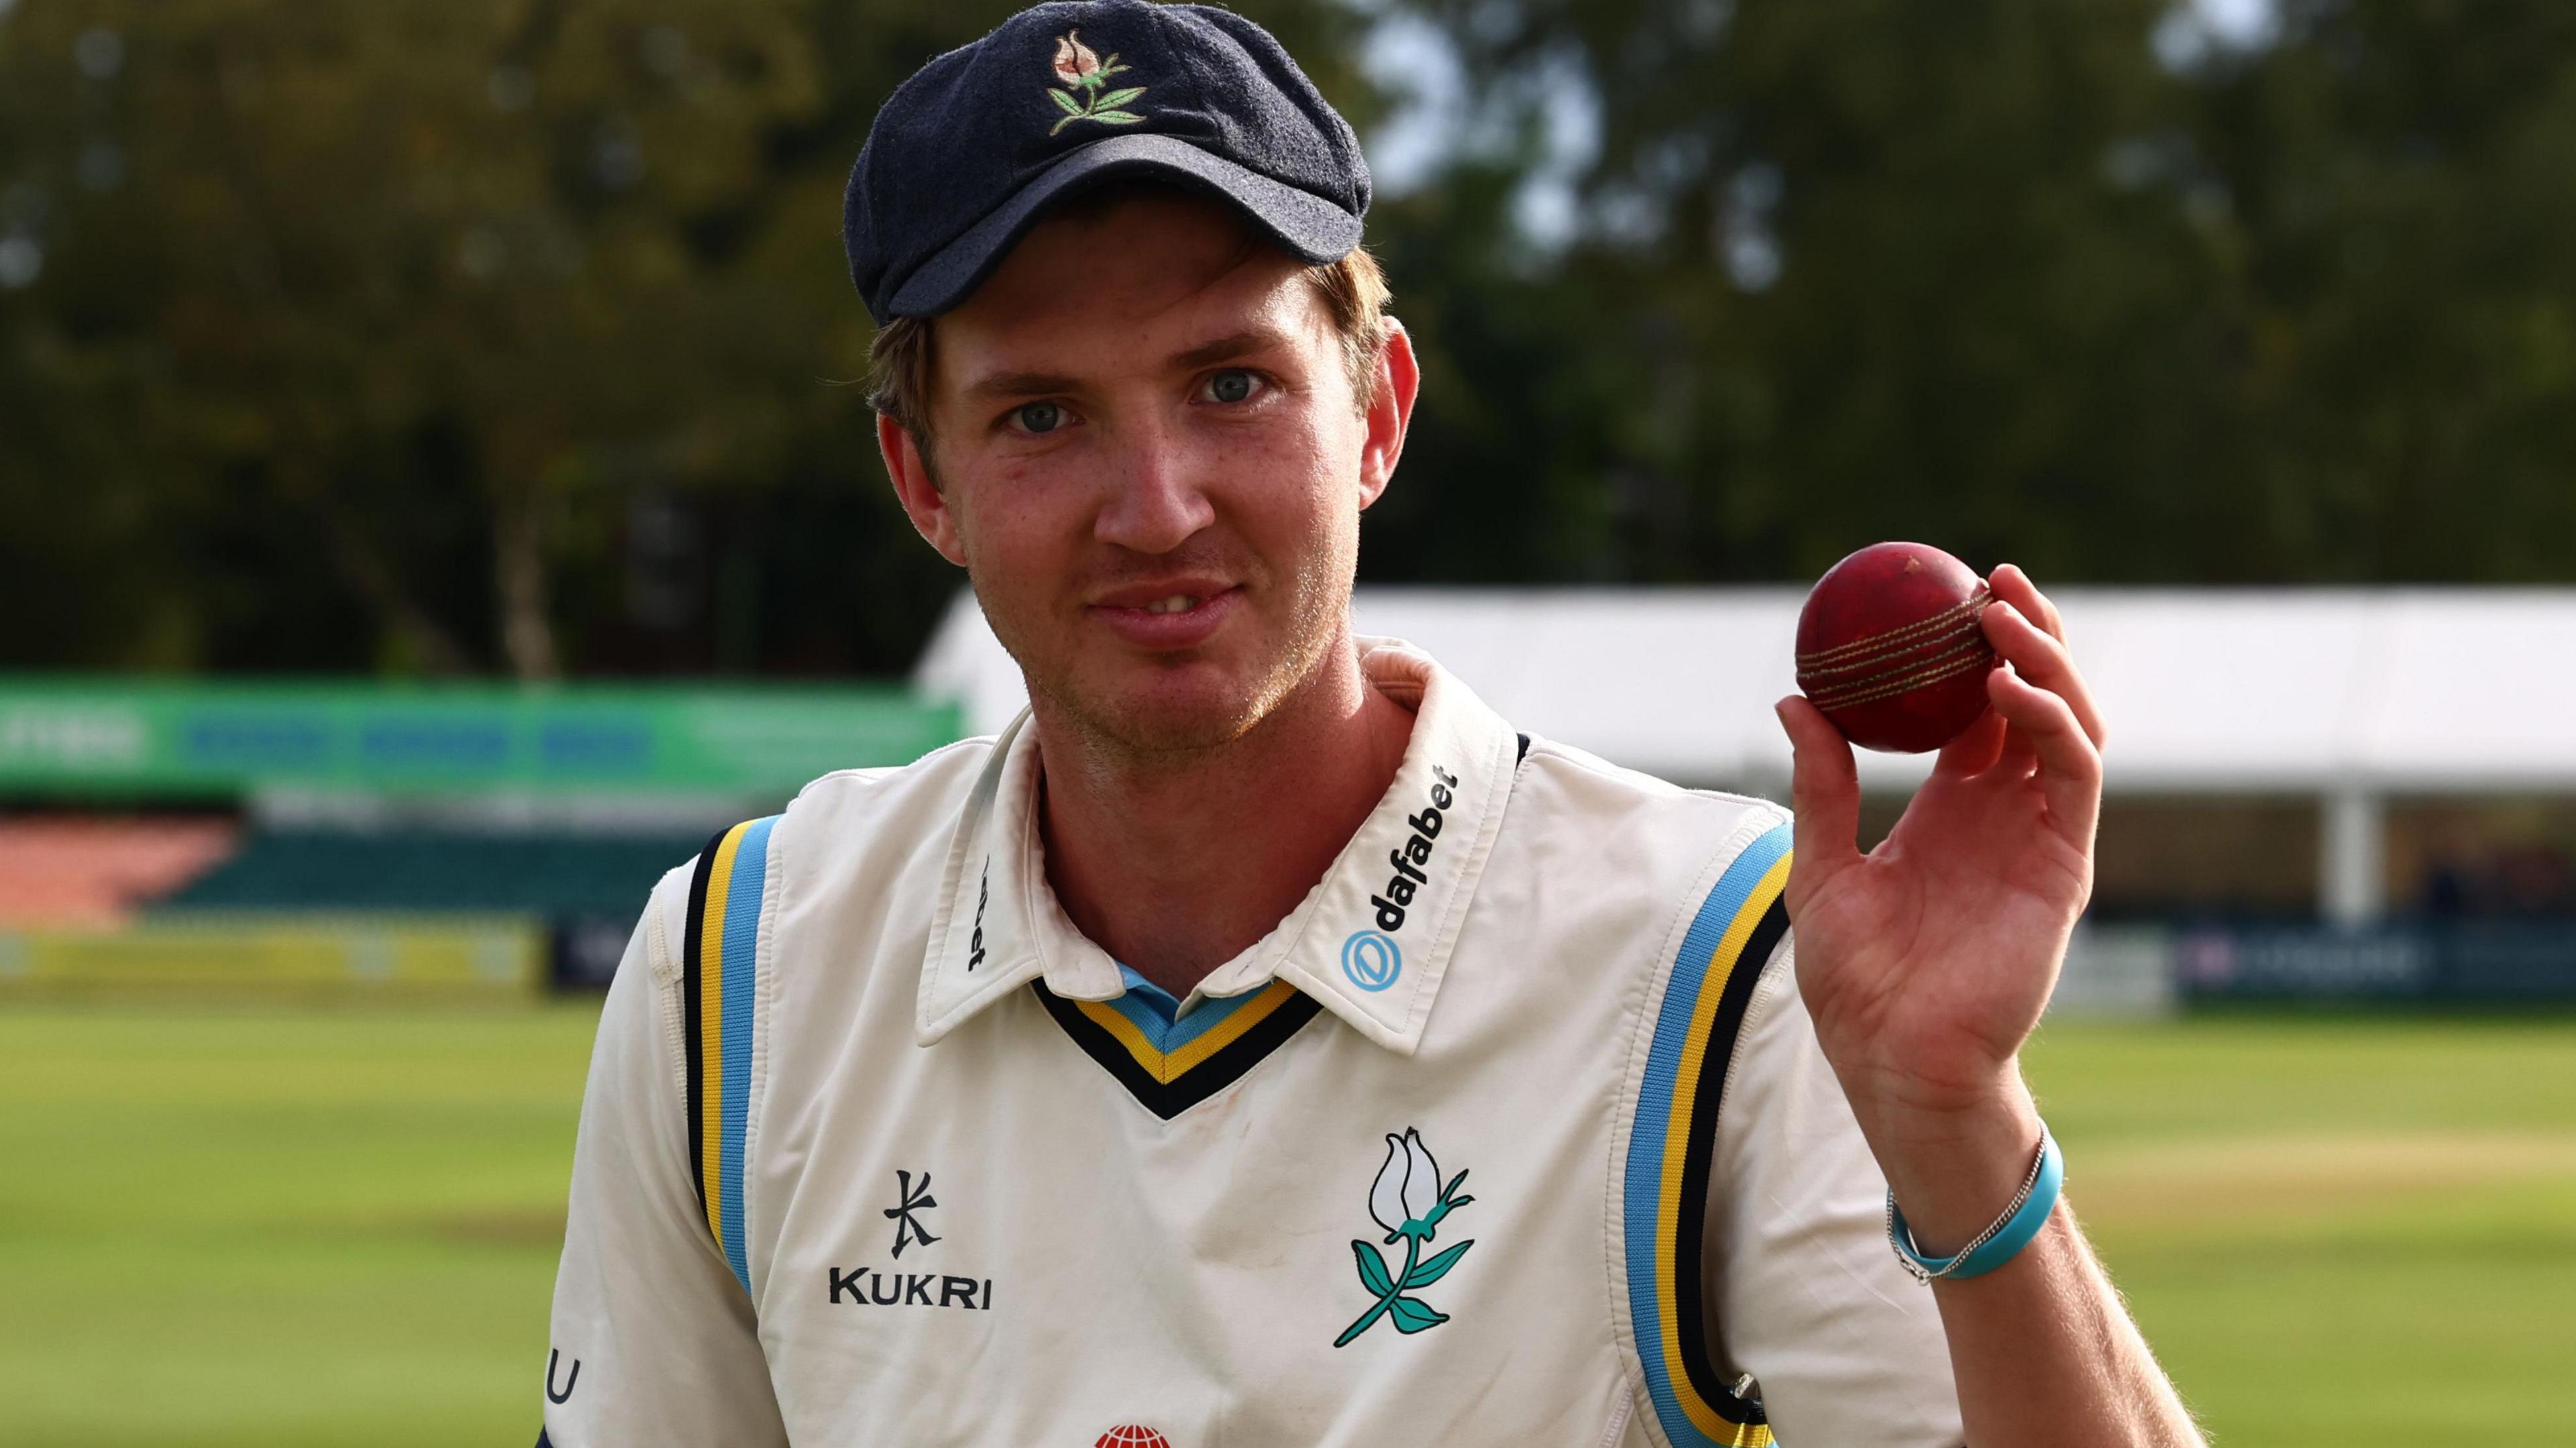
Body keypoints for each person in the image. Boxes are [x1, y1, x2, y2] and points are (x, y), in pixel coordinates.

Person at [538, 3, 2203, 1444]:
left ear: (1379, 413)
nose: (1157, 506)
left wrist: (1950, 1112)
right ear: (926, 483)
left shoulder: (1717, 960)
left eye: (1231, 384)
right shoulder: (740, 966)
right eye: (1042, 414)